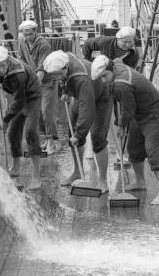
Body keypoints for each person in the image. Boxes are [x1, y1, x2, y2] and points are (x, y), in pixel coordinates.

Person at [91, 55, 159, 205]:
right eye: (100, 78)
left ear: (110, 69)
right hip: (140, 112)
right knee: (134, 147)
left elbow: (128, 108)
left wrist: (121, 126)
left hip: (154, 113)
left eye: (104, 76)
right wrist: (120, 122)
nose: (103, 81)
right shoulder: (116, 66)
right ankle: (140, 181)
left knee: (153, 149)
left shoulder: (121, 84)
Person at [43, 50, 113, 193]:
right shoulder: (64, 61)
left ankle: (103, 181)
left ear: (66, 67)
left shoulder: (80, 79)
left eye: (58, 73)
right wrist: (64, 92)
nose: (56, 77)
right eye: (53, 75)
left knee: (98, 138)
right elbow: (62, 79)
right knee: (71, 133)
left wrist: (79, 135)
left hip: (101, 96)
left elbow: (88, 109)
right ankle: (77, 171)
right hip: (81, 94)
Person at [0, 46, 42, 190]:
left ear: (7, 61)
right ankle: (16, 167)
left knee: (31, 132)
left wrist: (6, 119)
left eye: (1, 67)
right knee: (13, 133)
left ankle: (36, 175)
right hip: (16, 95)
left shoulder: (18, 73)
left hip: (32, 96)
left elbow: (20, 101)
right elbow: (13, 96)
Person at [17, 19, 61, 154]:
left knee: (46, 110)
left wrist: (32, 88)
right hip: (33, 80)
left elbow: (41, 69)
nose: (27, 37)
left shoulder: (44, 45)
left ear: (35, 31)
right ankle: (46, 139)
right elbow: (22, 62)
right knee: (38, 112)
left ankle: (52, 142)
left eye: (29, 34)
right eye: (24, 34)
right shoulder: (22, 43)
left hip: (47, 80)